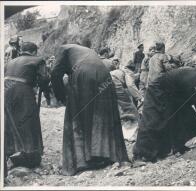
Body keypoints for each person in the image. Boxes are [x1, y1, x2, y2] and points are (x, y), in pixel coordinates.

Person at [51, 42, 129, 176]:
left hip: (83, 73)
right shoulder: (85, 50)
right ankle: (107, 154)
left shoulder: (63, 49)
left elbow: (55, 73)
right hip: (104, 73)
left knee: (79, 113)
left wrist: (61, 96)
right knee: (103, 113)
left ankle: (82, 160)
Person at [133, 67, 196, 162]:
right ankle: (140, 154)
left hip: (174, 93)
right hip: (157, 90)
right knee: (153, 120)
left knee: (183, 116)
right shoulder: (195, 81)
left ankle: (178, 147)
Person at [4, 42, 49, 170]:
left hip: (6, 91)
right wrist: (44, 87)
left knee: (10, 122)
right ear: (34, 52)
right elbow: (44, 79)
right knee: (28, 121)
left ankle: (11, 151)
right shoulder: (38, 60)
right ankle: (30, 154)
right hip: (22, 90)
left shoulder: (11, 62)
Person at [110, 58, 143, 142]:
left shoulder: (119, 70)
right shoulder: (129, 72)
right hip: (114, 83)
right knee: (130, 108)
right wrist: (140, 98)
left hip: (105, 84)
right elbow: (130, 85)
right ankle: (133, 134)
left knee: (118, 109)